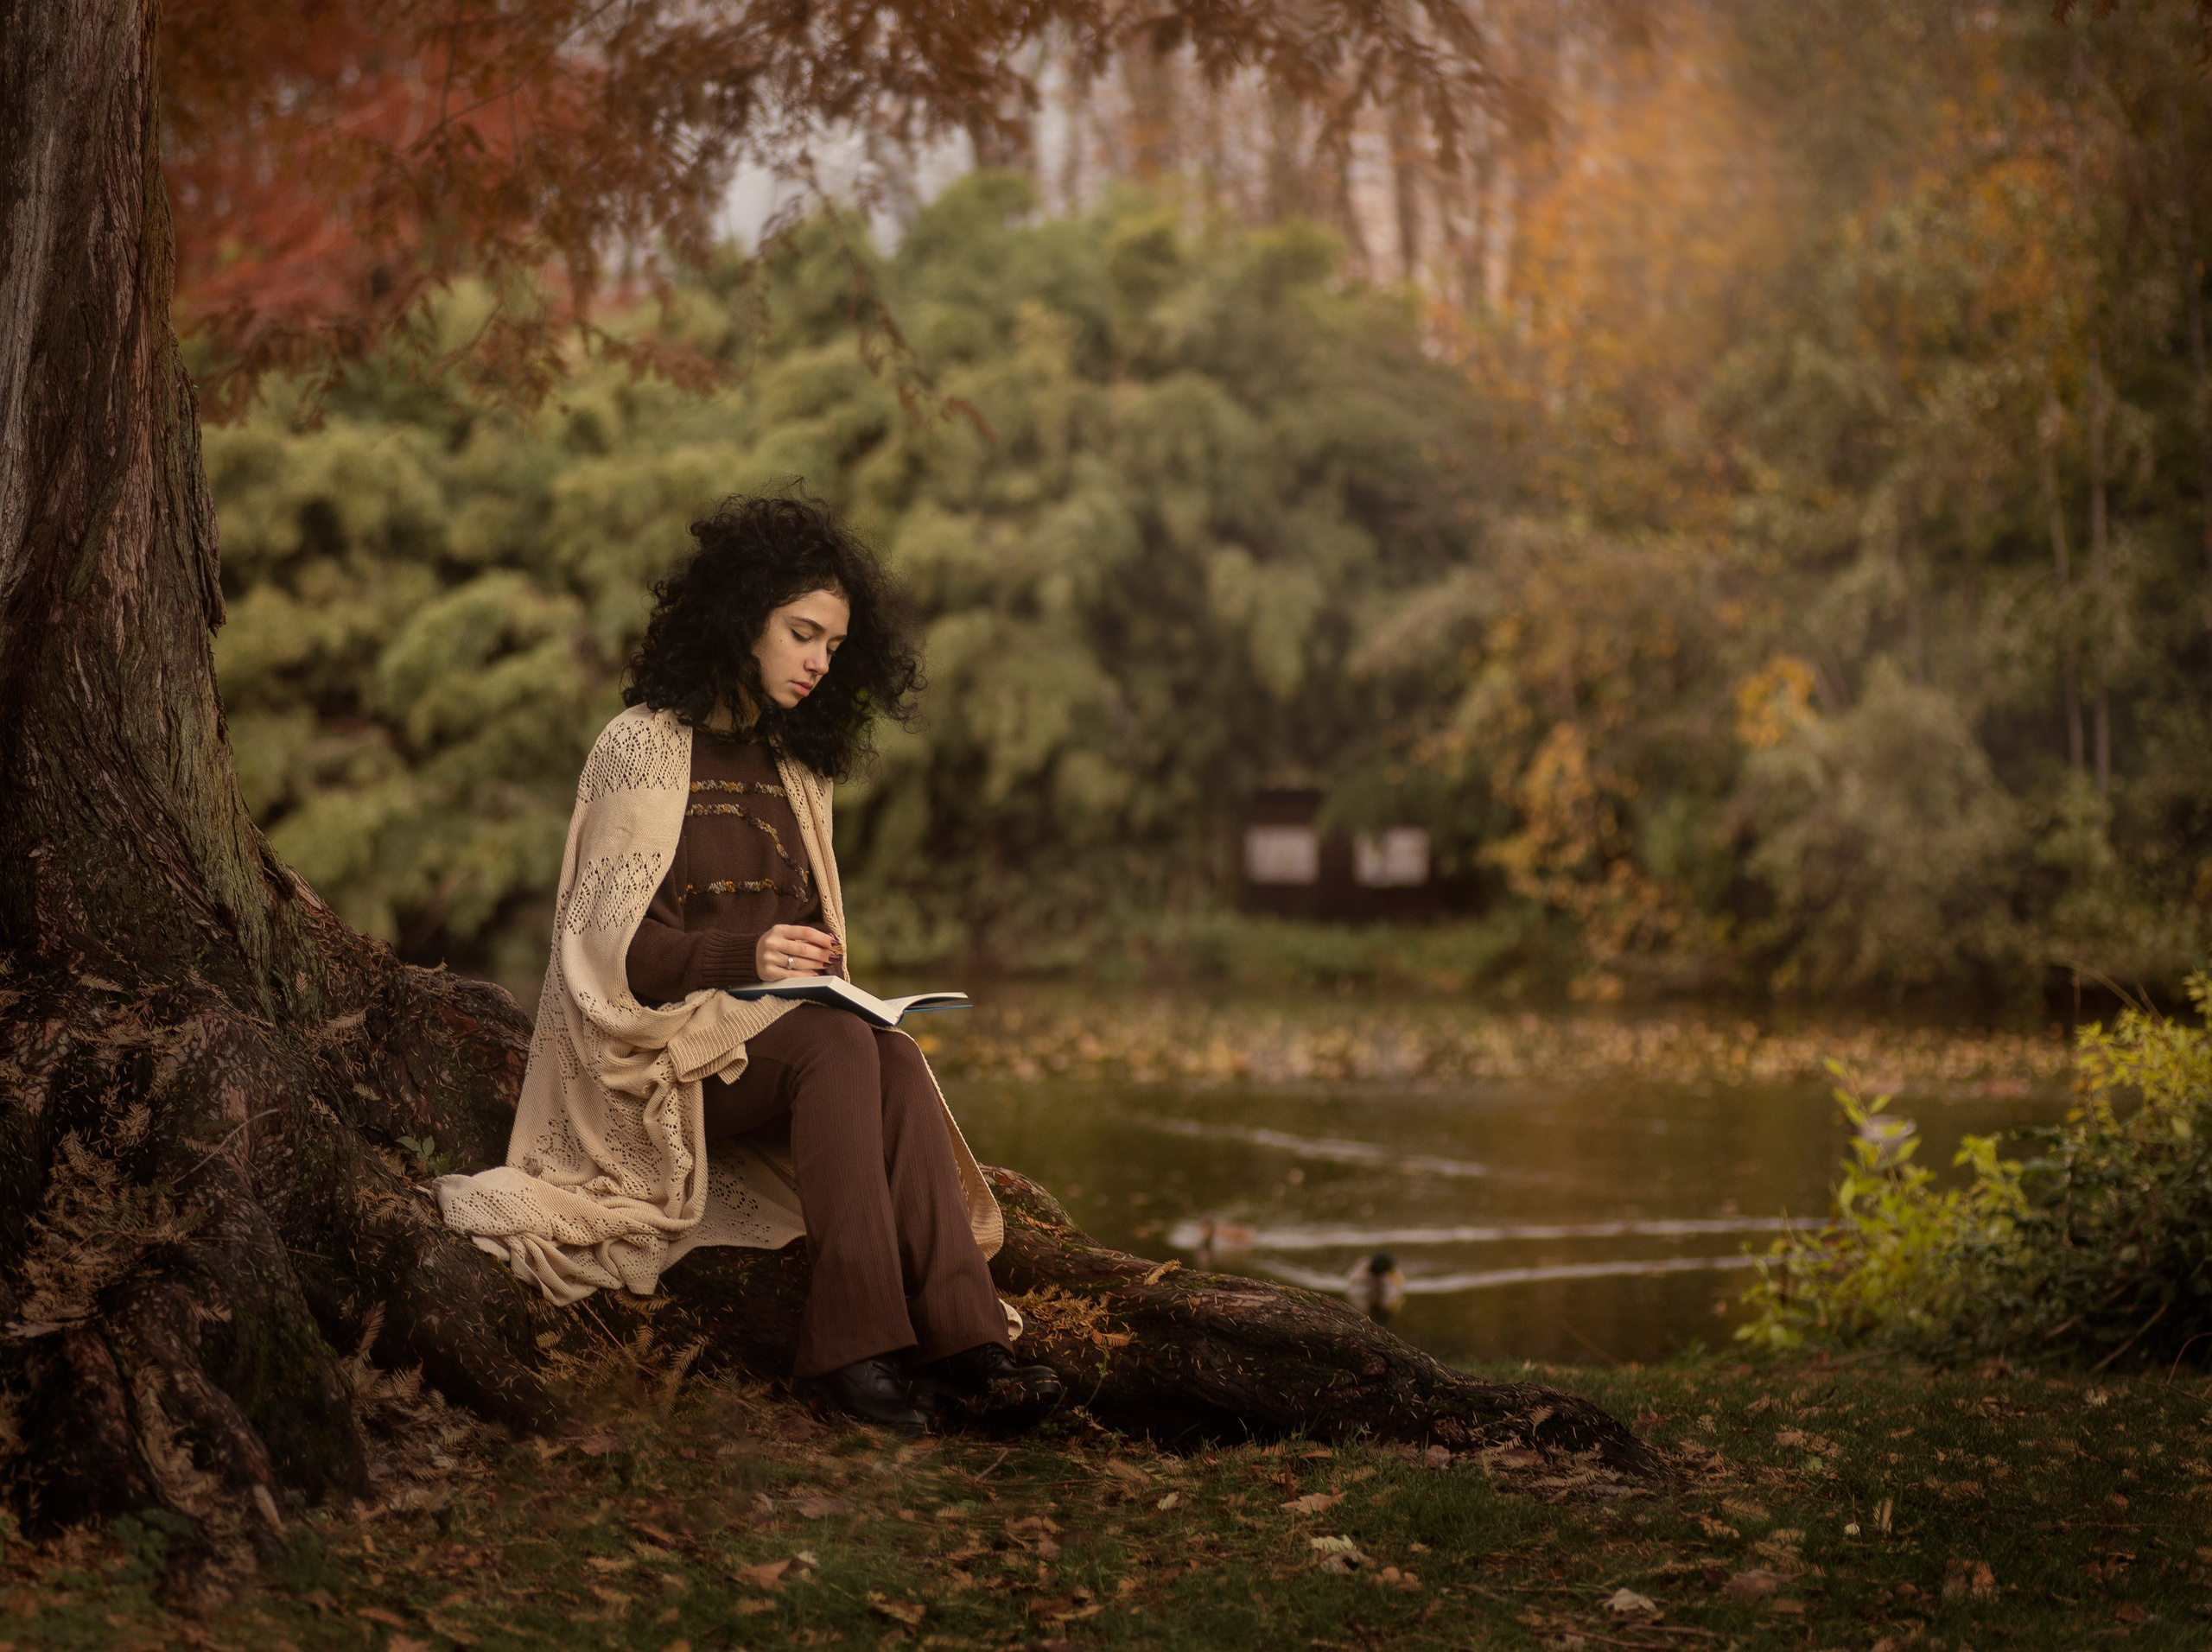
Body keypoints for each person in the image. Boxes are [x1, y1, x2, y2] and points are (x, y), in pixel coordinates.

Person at [435, 492, 1059, 1436]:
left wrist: (813, 960)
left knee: (891, 1053)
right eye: (802, 634)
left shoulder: (798, 767)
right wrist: (747, 953)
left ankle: (970, 1344)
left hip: (765, 1047)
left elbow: (803, 935)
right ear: (741, 618)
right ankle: (852, 1347)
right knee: (839, 1049)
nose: (818, 661)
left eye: (834, 647)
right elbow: (611, 955)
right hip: (652, 1061)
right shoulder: (641, 745)